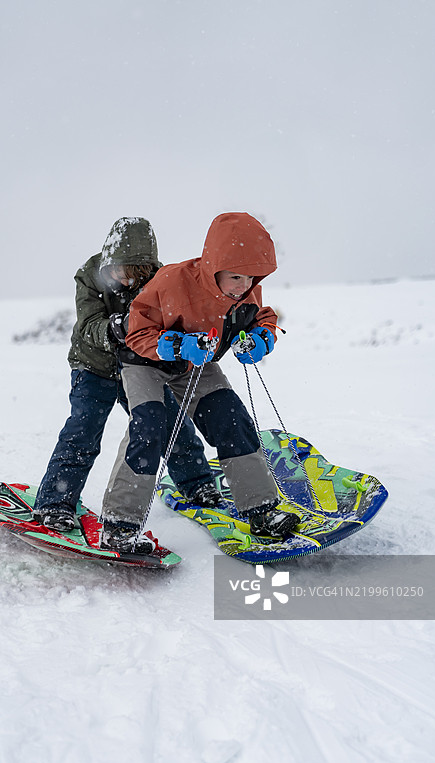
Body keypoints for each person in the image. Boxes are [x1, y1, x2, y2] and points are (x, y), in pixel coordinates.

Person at [100, 212, 300, 554]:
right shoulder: (171, 280)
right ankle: (120, 525)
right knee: (149, 428)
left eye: (252, 278)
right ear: (213, 266)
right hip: (146, 364)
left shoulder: (246, 290)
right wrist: (175, 344)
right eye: (236, 276)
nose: (243, 286)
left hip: (196, 367)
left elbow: (261, 318)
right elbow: (136, 332)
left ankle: (262, 510)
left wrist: (261, 337)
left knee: (232, 420)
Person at [33, 217, 220, 532]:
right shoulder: (90, 276)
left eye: (134, 274)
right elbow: (89, 325)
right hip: (93, 365)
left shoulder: (161, 280)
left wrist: (184, 344)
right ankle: (55, 503)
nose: (125, 280)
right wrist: (118, 328)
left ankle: (197, 483)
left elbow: (169, 323)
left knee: (169, 423)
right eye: (119, 271)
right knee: (83, 430)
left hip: (138, 366)